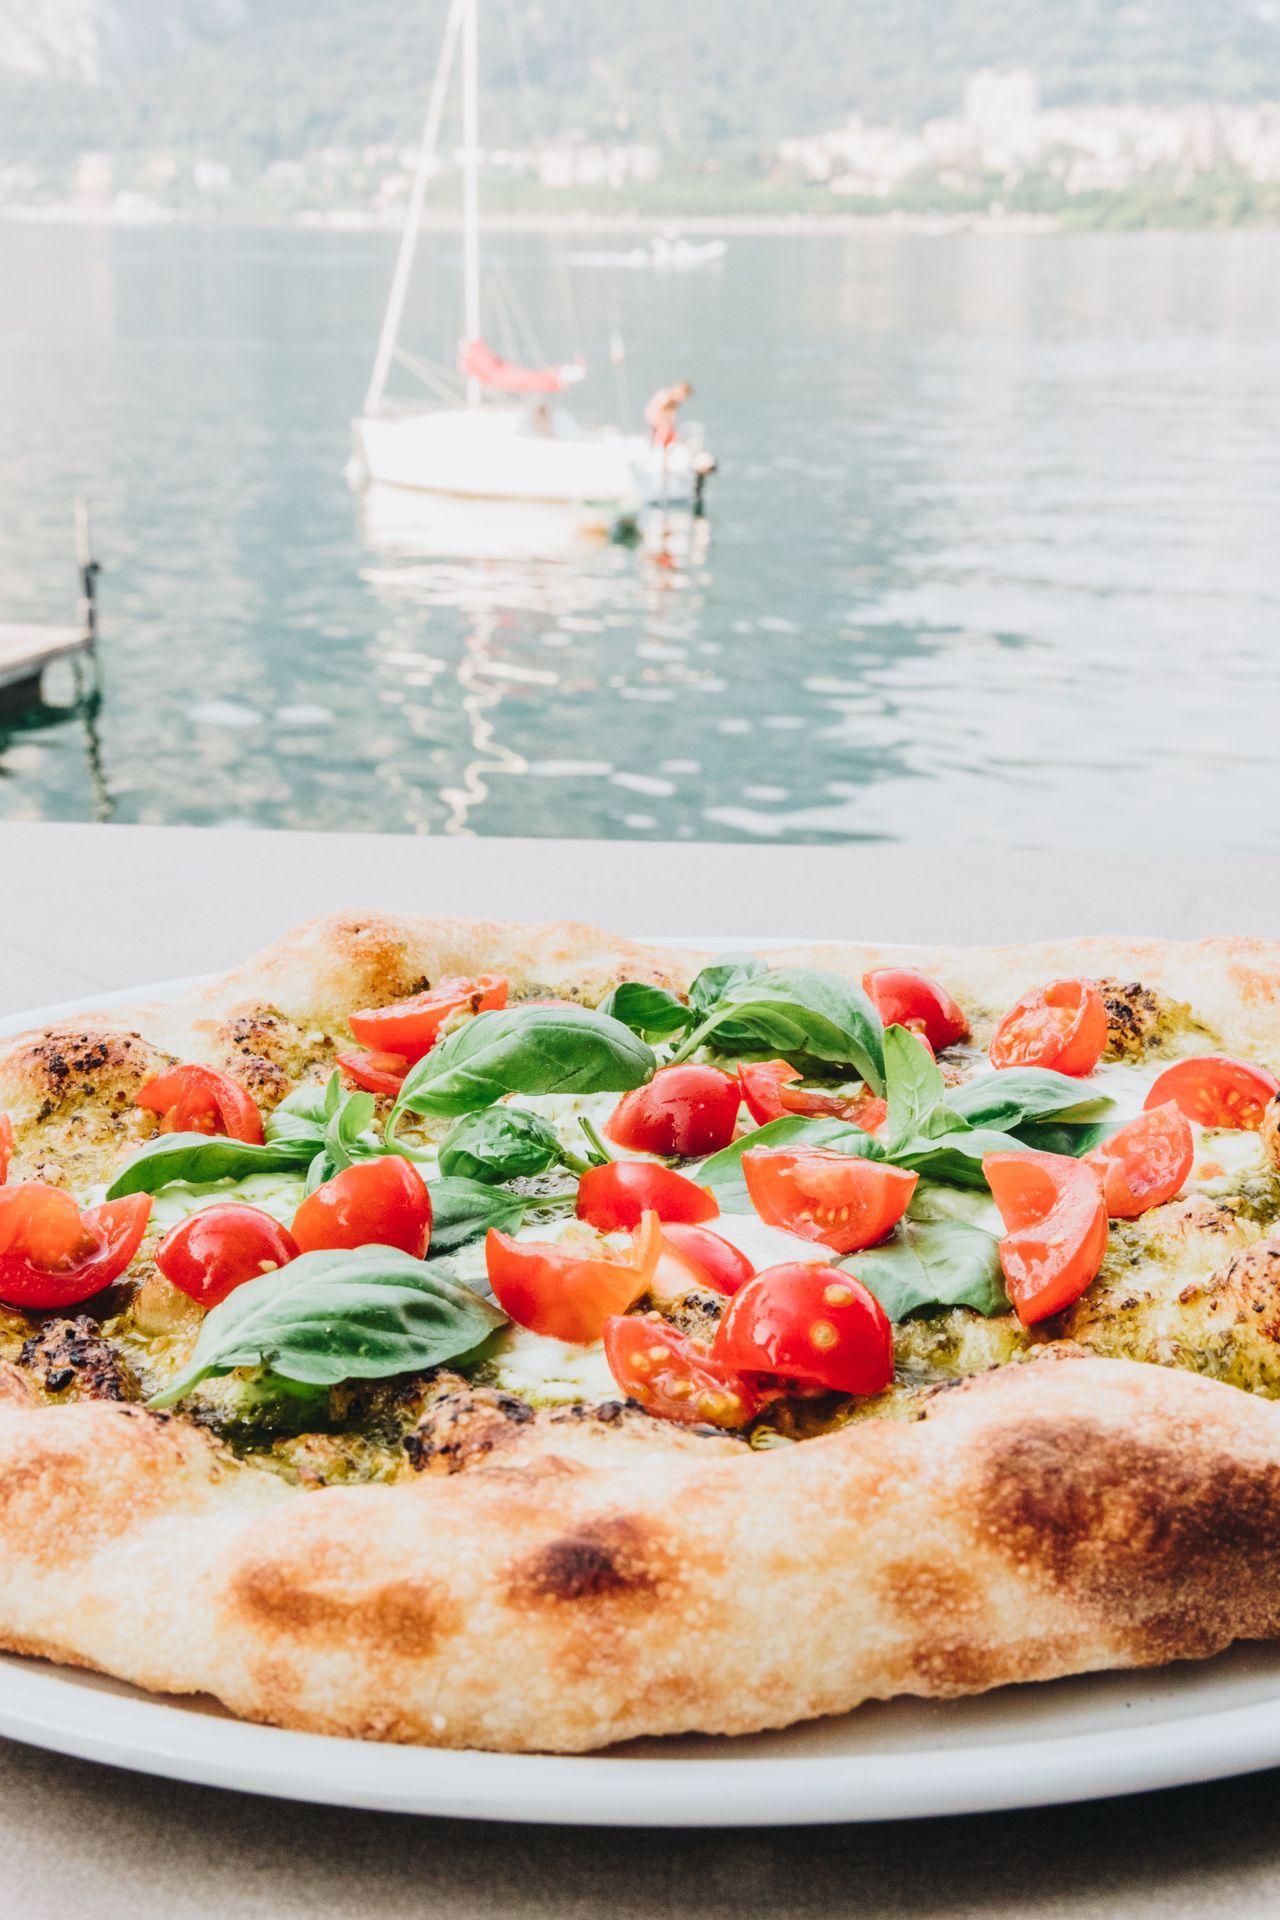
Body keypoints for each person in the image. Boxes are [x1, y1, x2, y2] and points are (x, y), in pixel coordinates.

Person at [644, 380, 692, 450]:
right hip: (656, 419)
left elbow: (670, 416)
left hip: (661, 422)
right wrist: (663, 424)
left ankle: (664, 450)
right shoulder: (664, 396)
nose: (682, 398)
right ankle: (657, 447)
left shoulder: (674, 401)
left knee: (669, 435)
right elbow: (656, 413)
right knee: (664, 433)